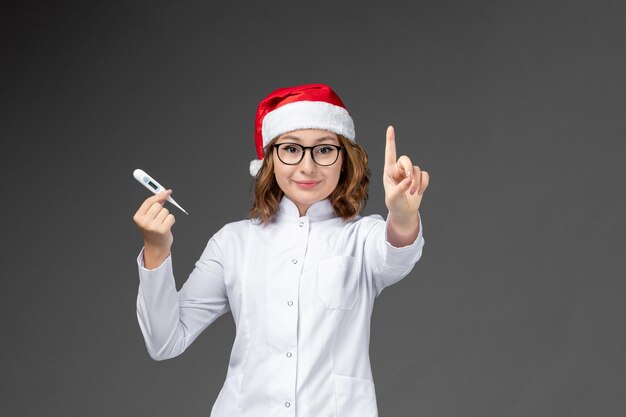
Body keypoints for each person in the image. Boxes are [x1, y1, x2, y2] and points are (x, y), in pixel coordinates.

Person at [133, 83, 429, 417]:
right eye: (291, 149)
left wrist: (403, 215)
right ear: (269, 160)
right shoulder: (233, 243)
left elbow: (396, 251)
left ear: (344, 159)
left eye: (324, 150)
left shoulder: (362, 238)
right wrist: (156, 249)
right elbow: (164, 341)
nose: (307, 166)